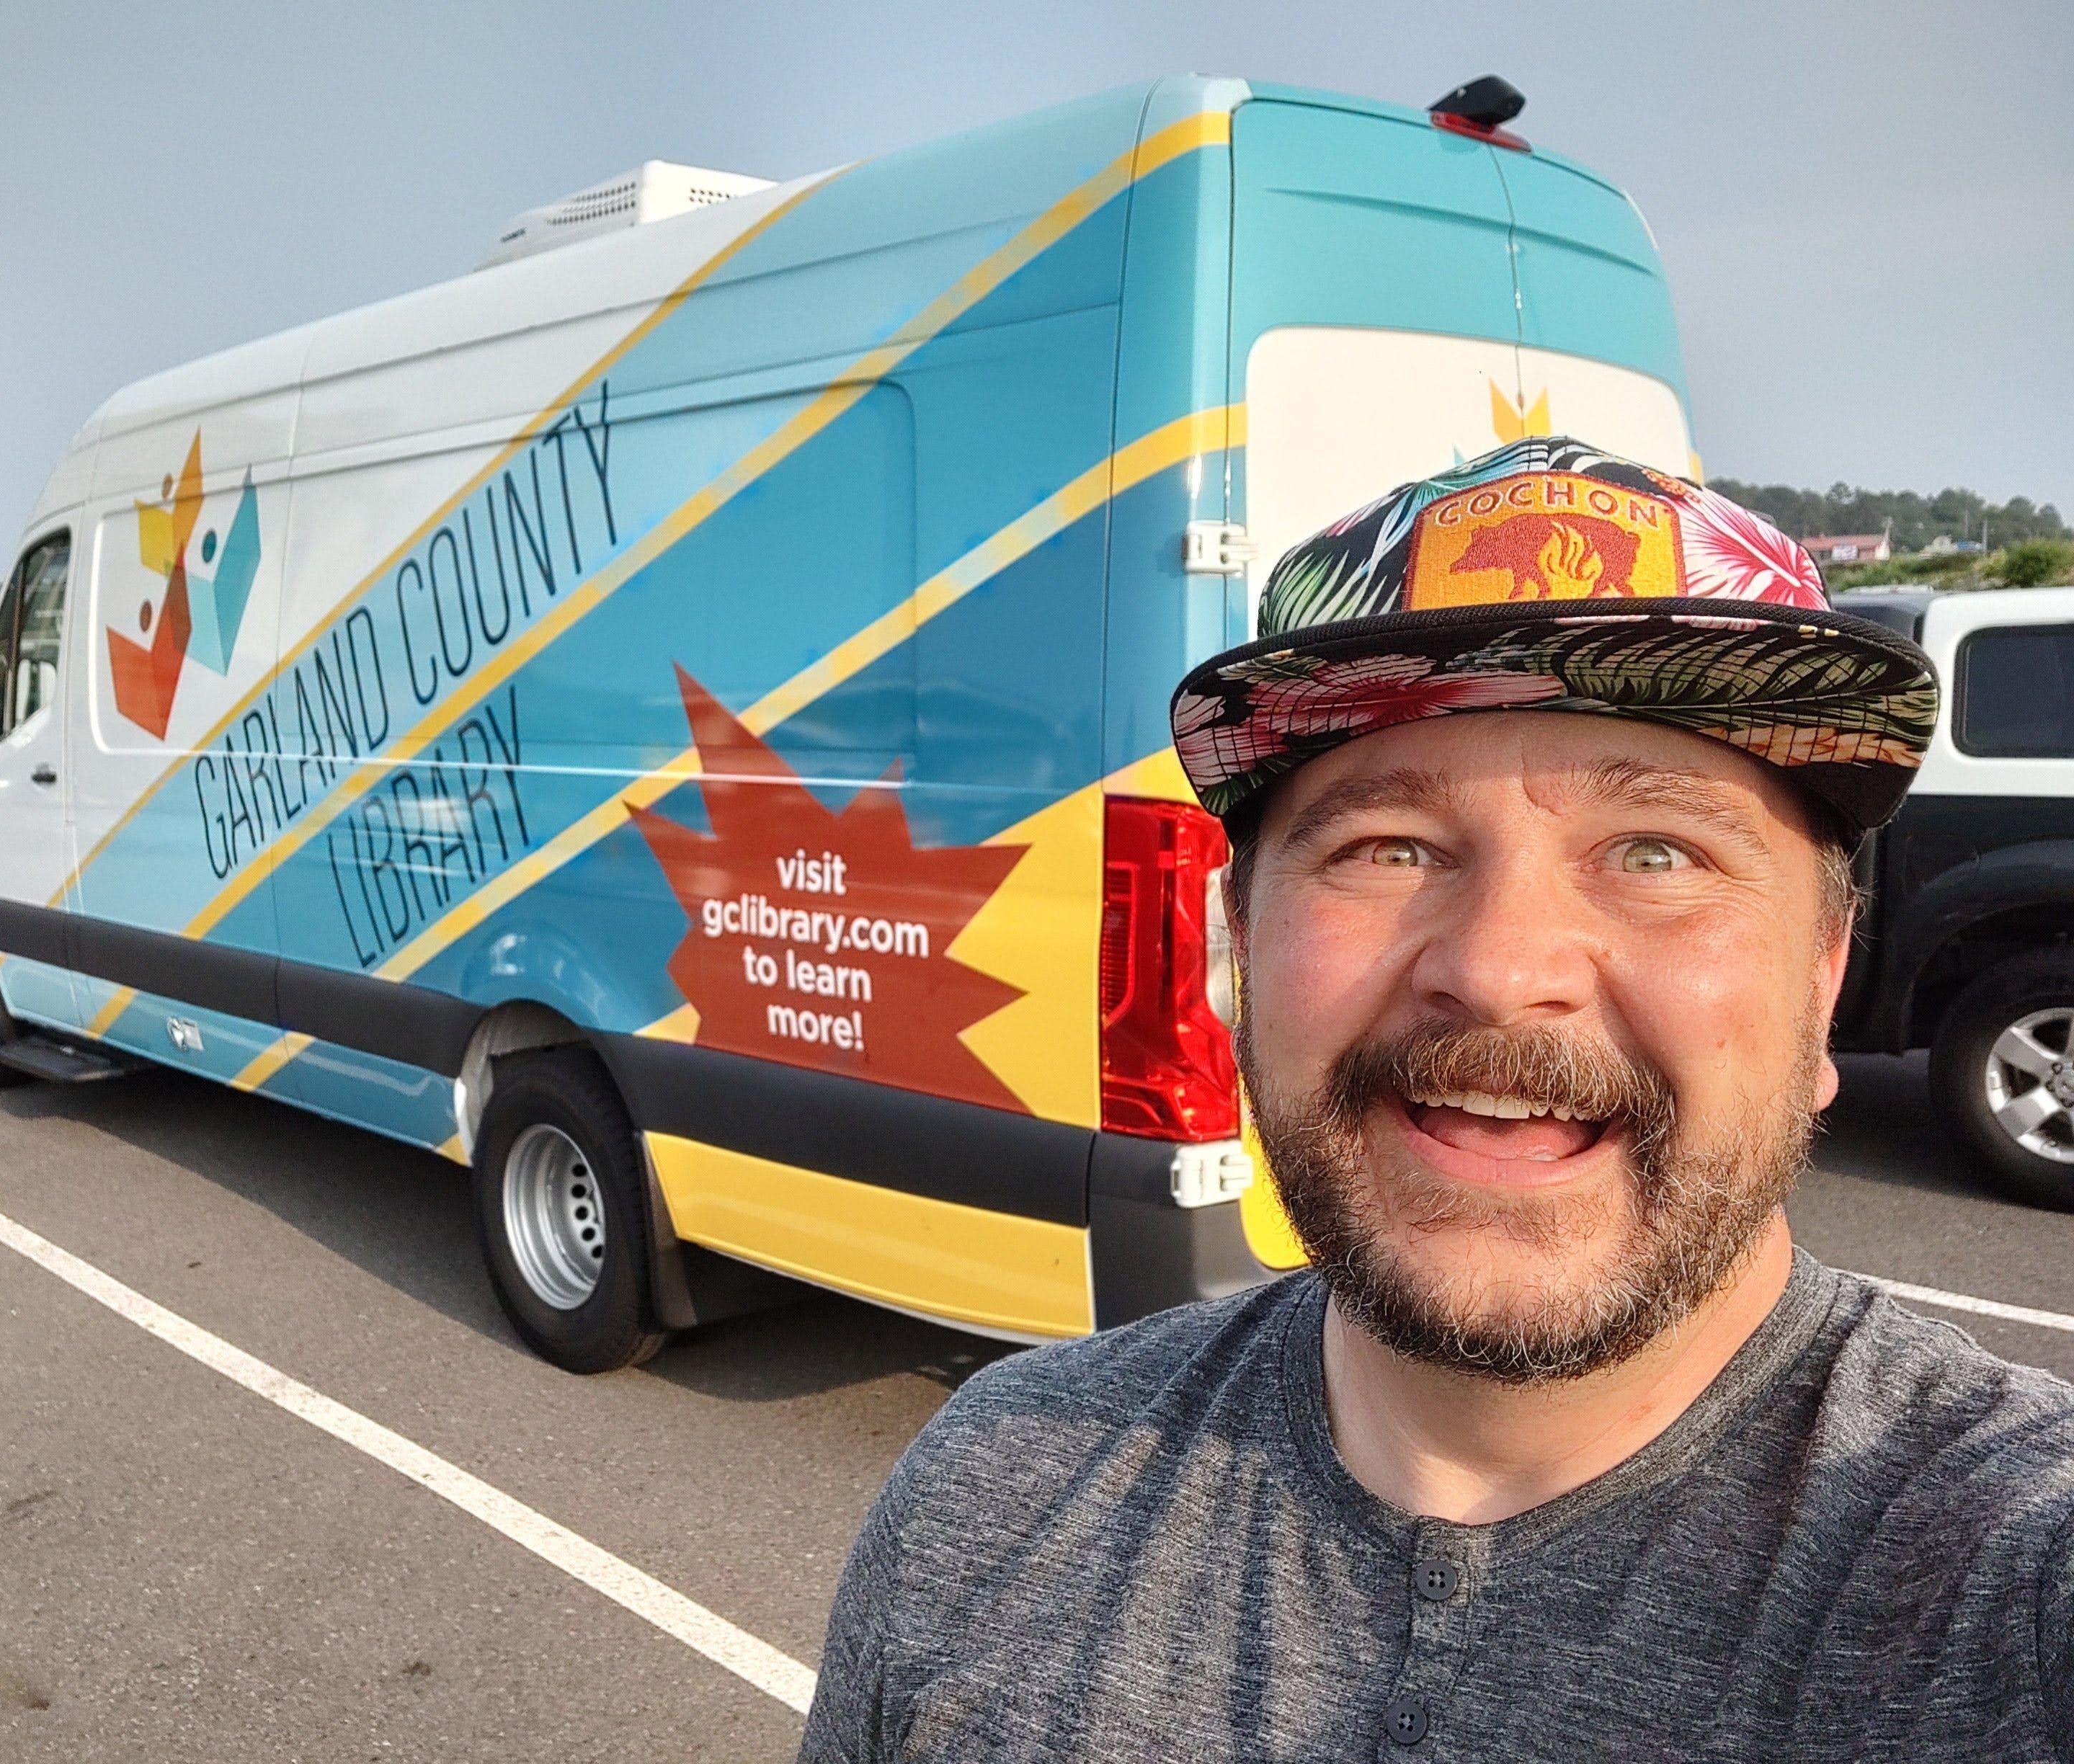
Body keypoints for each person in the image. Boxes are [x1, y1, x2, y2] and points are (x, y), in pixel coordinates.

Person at [797, 437, 2074, 1762]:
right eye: (1386, 846)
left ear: (1822, 981)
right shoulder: (989, 1496)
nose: (1498, 969)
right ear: (1241, 945)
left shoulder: (2012, 1587)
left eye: (1656, 850)